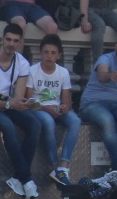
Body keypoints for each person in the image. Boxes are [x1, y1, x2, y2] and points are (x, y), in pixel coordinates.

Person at [0, 24, 41, 198]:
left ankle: (17, 177)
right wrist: (9, 105)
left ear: (20, 43)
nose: (11, 44)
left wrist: (22, 104)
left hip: (8, 104)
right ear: (2, 40)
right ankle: (26, 178)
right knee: (8, 126)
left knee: (34, 124)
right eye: (8, 39)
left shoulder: (22, 63)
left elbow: (18, 97)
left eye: (15, 41)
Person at [78, 30, 117, 170]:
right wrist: (110, 75)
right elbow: (102, 75)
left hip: (115, 104)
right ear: (116, 46)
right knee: (107, 120)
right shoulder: (106, 59)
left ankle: (116, 165)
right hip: (91, 104)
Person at [26, 34, 79, 186]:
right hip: (39, 108)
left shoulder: (63, 72)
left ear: (59, 55)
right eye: (46, 52)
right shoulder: (32, 71)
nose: (49, 56)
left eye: (53, 53)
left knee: (75, 121)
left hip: (55, 108)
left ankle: (64, 165)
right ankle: (54, 164)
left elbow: (67, 101)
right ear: (41, 53)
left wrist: (64, 107)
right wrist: (46, 108)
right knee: (48, 122)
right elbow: (29, 101)